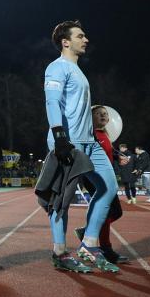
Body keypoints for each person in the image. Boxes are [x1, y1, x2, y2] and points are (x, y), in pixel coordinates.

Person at [43, 20, 119, 273]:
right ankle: (60, 251)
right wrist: (59, 135)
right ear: (66, 42)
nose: (85, 40)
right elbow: (52, 102)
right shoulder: (57, 67)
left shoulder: (79, 71)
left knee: (108, 187)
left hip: (90, 142)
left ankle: (89, 243)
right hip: (68, 142)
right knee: (61, 200)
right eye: (80, 36)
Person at [72, 106, 128, 263]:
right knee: (111, 211)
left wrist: (117, 156)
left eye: (105, 114)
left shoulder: (105, 135)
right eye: (98, 114)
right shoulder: (89, 135)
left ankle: (88, 231)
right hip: (95, 178)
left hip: (106, 178)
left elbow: (108, 151)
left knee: (115, 212)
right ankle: (106, 249)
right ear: (91, 118)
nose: (103, 115)